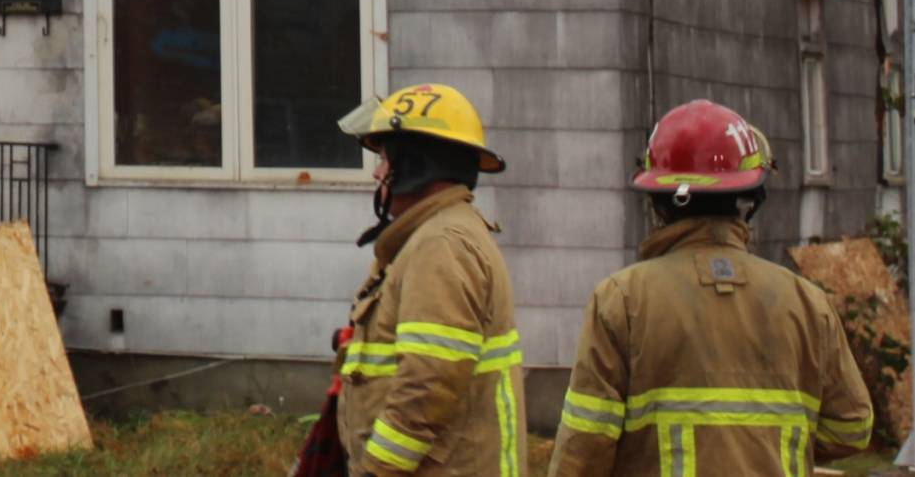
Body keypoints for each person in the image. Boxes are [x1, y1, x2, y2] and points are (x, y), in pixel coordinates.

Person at [547, 99, 872, 477]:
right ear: (749, 198)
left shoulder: (621, 299)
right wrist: (767, 441)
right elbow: (852, 427)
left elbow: (585, 448)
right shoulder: (806, 303)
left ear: (658, 202)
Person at [328, 82, 523, 476]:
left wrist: (376, 471)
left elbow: (427, 385)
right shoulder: (433, 237)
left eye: (384, 159)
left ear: (416, 166)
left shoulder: (441, 246)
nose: (377, 173)